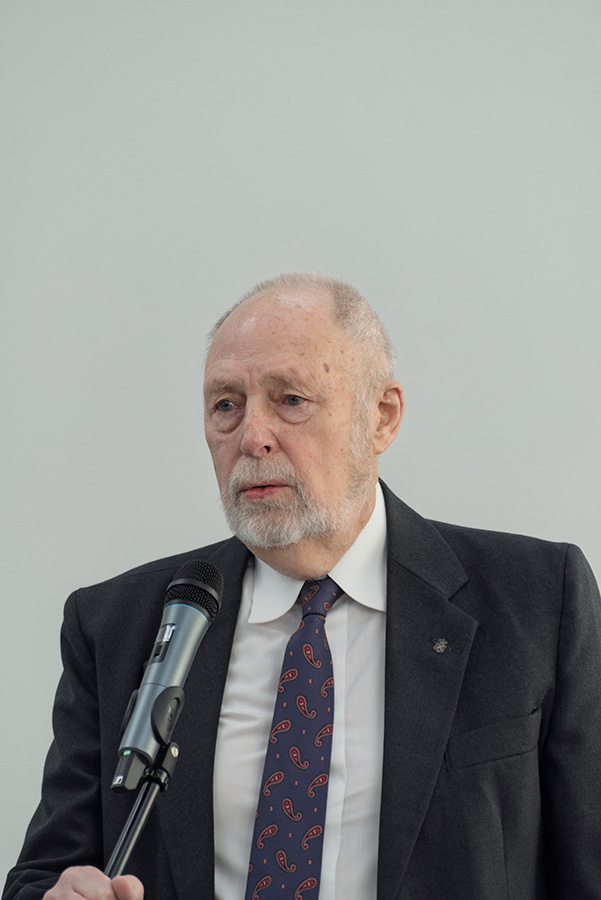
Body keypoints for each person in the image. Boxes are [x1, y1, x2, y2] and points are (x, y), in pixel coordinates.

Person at [4, 273, 601, 900]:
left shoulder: (539, 602)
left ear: (382, 417)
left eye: (291, 399)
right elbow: (44, 873)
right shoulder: (118, 624)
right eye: (226, 405)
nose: (252, 436)